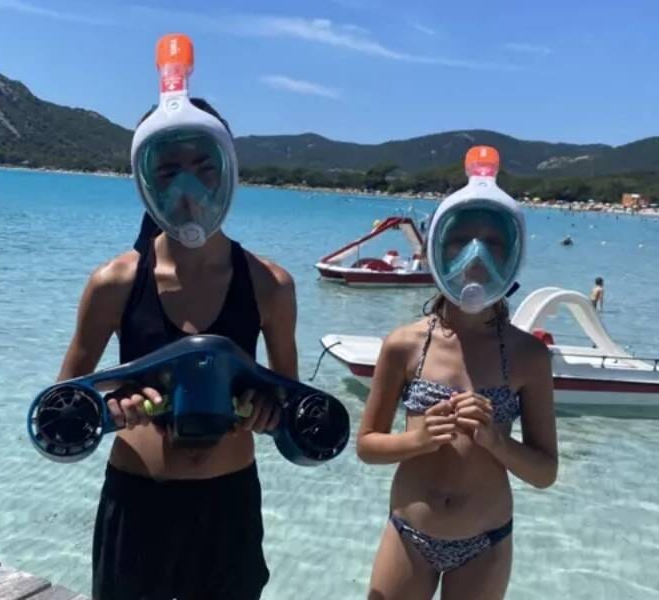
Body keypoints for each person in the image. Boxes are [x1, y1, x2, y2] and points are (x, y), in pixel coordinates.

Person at [56, 34, 297, 600]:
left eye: (201, 168)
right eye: (167, 172)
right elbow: (65, 406)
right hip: (137, 500)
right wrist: (110, 407)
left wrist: (268, 411)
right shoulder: (114, 282)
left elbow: (293, 405)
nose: (187, 189)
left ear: (227, 171)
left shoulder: (269, 285)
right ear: (144, 181)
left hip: (228, 505)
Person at [357, 146, 558, 600]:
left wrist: (496, 441)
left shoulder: (528, 356)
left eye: (493, 244)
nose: (474, 257)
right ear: (434, 248)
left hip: (484, 543)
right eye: (460, 240)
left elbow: (545, 472)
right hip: (409, 535)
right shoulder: (404, 345)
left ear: (513, 259)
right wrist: (416, 440)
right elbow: (367, 446)